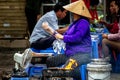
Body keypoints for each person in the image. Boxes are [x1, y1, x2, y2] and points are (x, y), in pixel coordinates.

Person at [42, 0, 92, 79]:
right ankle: (55, 75)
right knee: (50, 60)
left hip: (82, 54)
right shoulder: (73, 24)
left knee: (67, 67)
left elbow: (77, 38)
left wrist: (63, 37)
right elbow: (63, 35)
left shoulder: (83, 22)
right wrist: (50, 30)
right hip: (70, 54)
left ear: (76, 12)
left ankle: (79, 76)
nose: (71, 13)